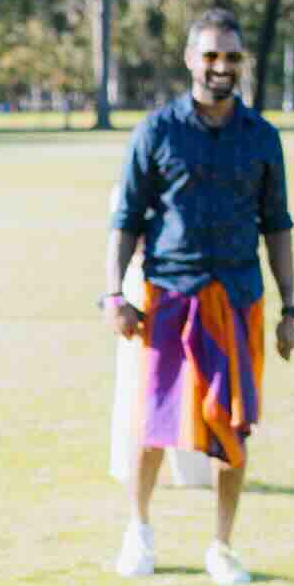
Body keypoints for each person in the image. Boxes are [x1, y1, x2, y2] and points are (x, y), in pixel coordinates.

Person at [106, 7, 294, 586]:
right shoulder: (157, 131)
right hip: (168, 296)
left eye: (231, 57)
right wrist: (114, 295)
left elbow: (277, 225)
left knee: (232, 428)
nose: (221, 67)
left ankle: (223, 546)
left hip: (237, 298)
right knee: (154, 421)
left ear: (242, 64)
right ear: (191, 59)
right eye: (210, 55)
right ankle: (138, 531)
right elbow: (126, 218)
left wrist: (290, 309)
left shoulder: (262, 137)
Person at [108, 185, 211, 489]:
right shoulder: (133, 183)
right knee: (138, 380)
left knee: (191, 375)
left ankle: (193, 465)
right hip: (148, 283)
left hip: (187, 282)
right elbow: (128, 236)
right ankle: (131, 464)